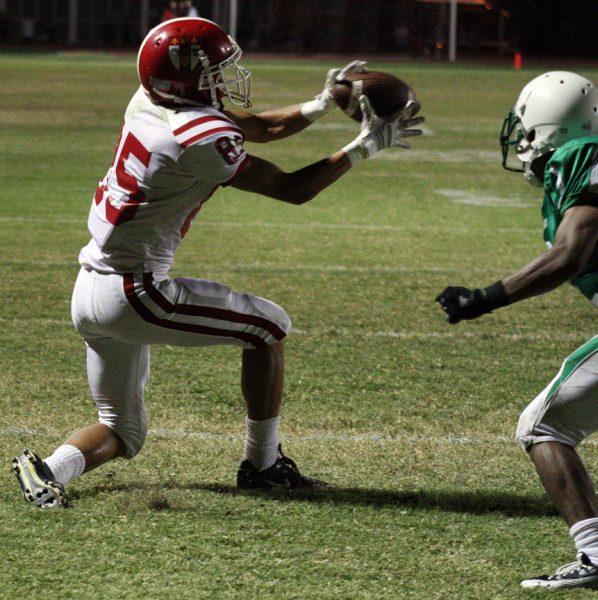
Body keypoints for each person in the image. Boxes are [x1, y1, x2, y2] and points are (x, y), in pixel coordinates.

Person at [12, 17, 423, 509]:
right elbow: (290, 188)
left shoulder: (148, 102)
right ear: (186, 78)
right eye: (215, 72)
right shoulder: (196, 139)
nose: (225, 79)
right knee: (269, 327)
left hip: (90, 289)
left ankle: (47, 471)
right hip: (135, 294)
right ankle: (264, 466)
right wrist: (364, 147)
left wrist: (320, 104)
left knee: (121, 429)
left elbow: (257, 127)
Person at [436, 71, 598, 589]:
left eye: (525, 126)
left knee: (543, 426)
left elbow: (571, 254)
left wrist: (486, 298)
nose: (520, 138)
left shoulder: (582, 155)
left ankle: (595, 554)